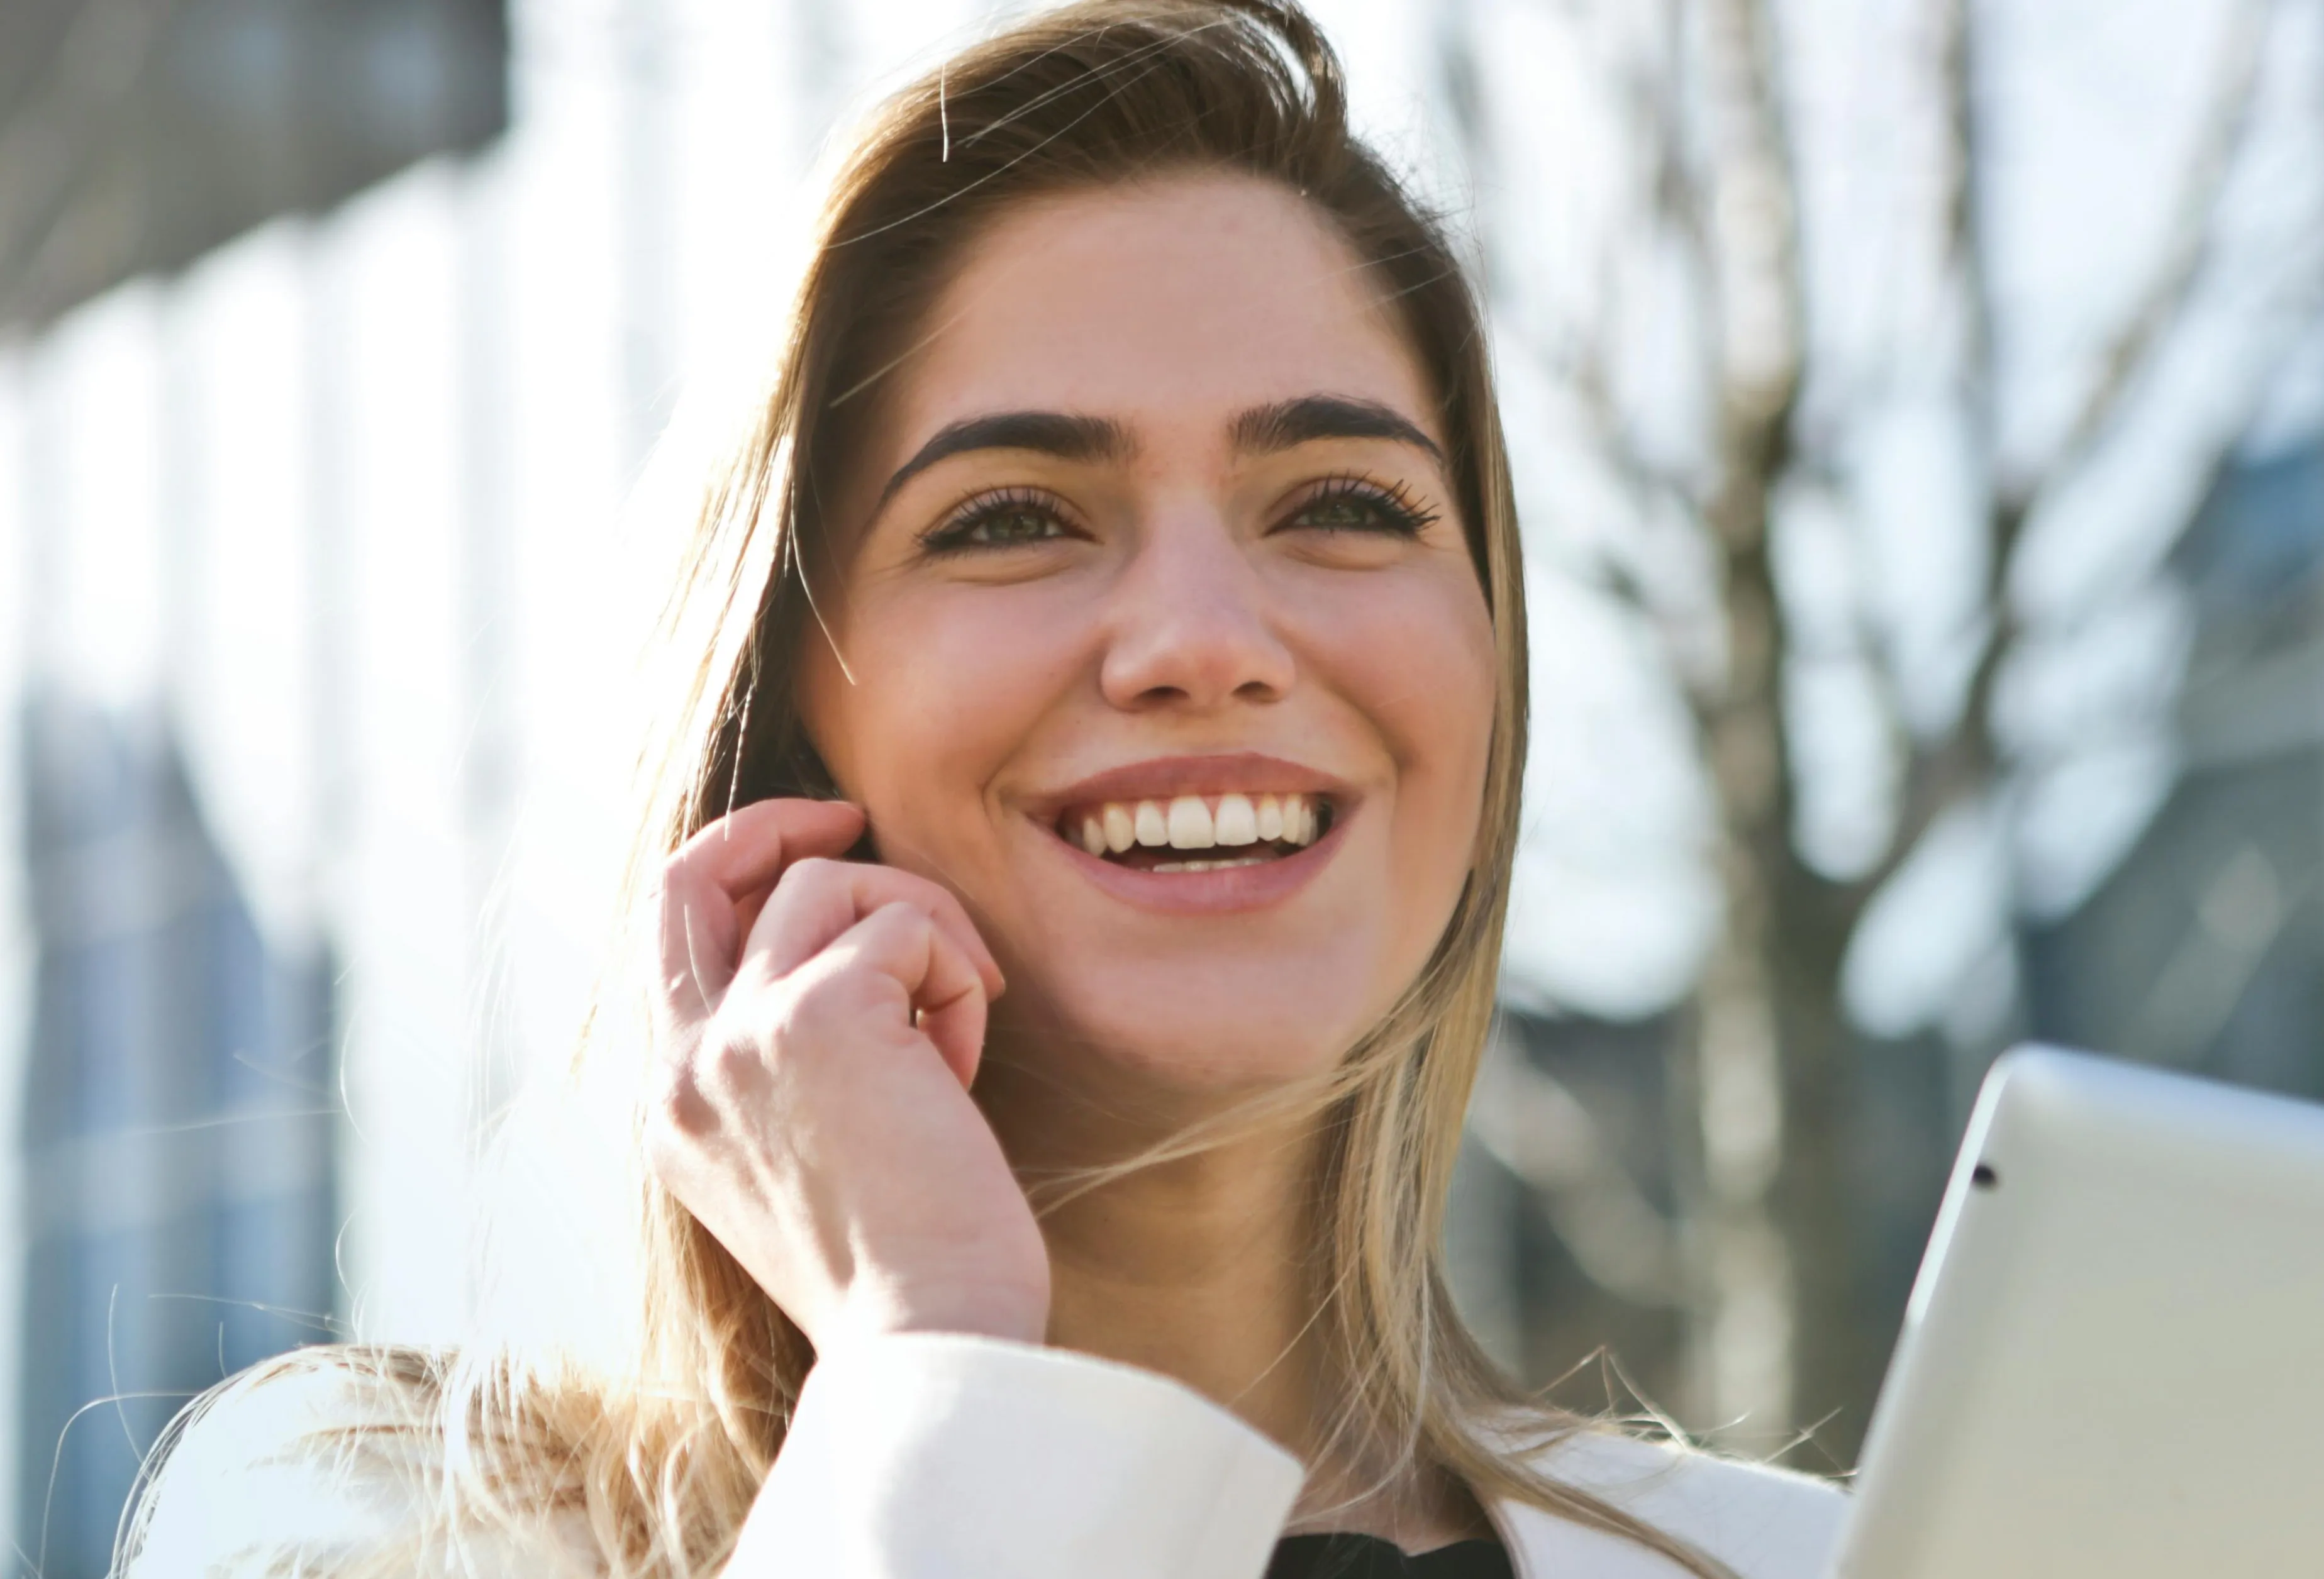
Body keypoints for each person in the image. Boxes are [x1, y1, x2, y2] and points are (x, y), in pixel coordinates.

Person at [118, 3, 1845, 1575]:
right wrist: (932, 1366)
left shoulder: (1826, 1563)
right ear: (786, 718)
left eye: (1344, 500)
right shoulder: (369, 1535)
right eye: (1013, 516)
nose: (1205, 640)